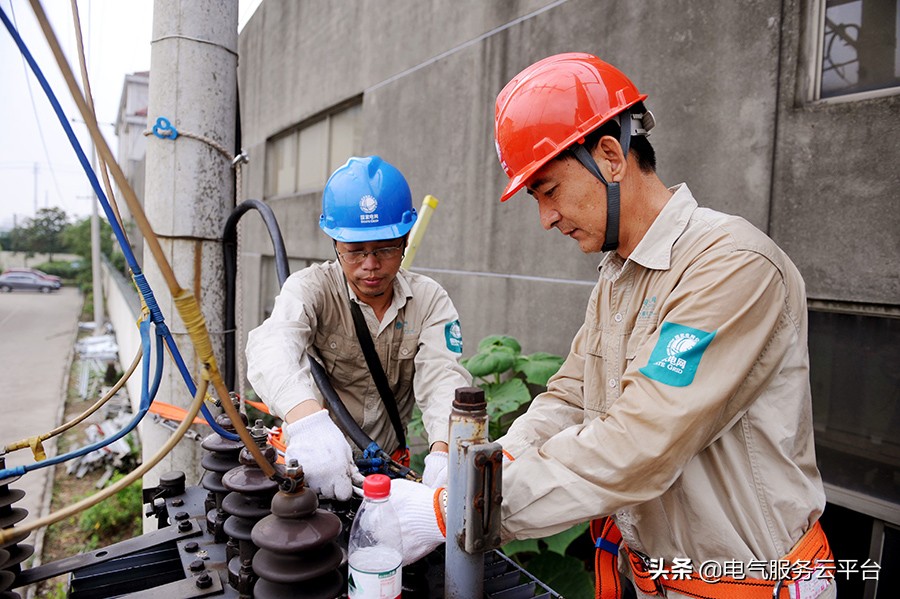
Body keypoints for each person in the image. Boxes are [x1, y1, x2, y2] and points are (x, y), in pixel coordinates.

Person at [388, 53, 835, 598]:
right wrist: (486, 468)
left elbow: (641, 442)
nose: (545, 218)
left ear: (609, 155)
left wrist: (458, 510)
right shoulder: (619, 275)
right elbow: (571, 397)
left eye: (549, 190)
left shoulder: (732, 265)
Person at [245, 155, 471, 501]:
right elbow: (272, 346)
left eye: (384, 249)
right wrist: (309, 424)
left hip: (387, 468)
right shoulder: (311, 288)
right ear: (335, 244)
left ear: (406, 239)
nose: (370, 266)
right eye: (354, 252)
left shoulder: (428, 300)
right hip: (312, 460)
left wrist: (444, 452)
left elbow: (443, 378)